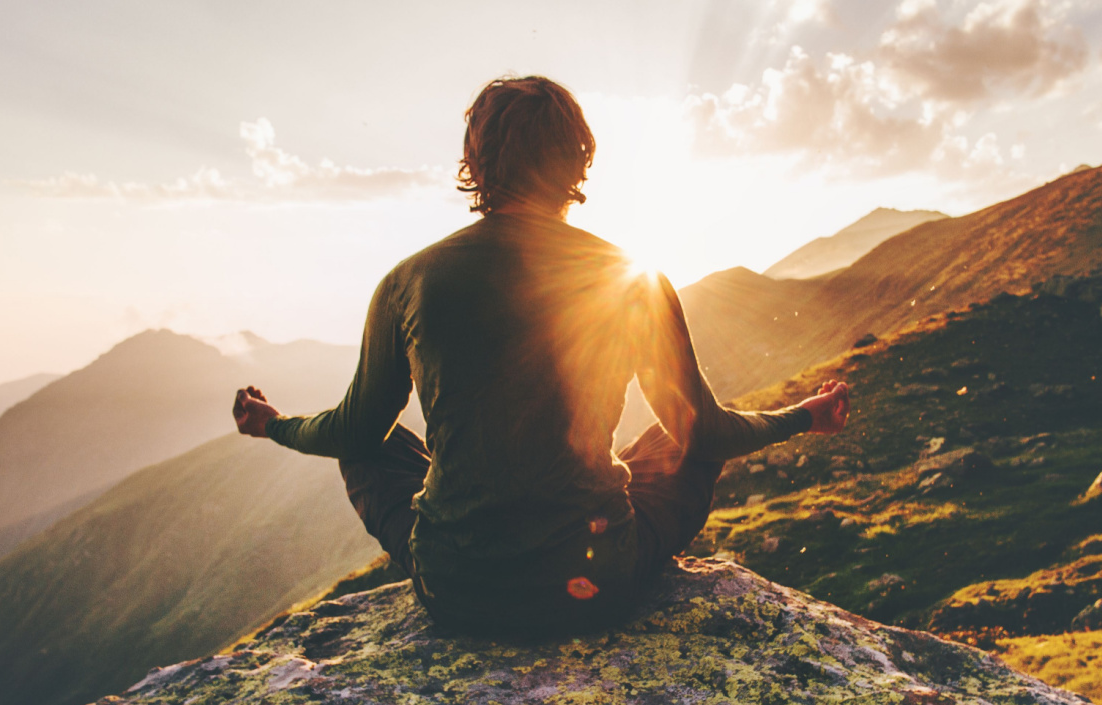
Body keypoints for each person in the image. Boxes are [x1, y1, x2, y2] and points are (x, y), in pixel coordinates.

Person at [232, 75, 850, 637]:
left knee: (373, 442)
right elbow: (708, 432)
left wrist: (273, 424)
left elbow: (351, 430)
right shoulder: (632, 277)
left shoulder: (409, 280)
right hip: (595, 588)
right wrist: (803, 416)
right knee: (680, 439)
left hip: (456, 592)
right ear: (579, 159)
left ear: (476, 162)